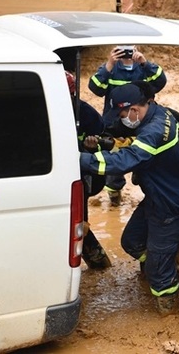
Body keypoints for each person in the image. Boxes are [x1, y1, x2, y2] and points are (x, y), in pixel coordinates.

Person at [79, 84, 179, 315]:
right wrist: (103, 144)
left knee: (158, 275)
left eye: (123, 115)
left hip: (170, 207)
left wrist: (80, 159)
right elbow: (129, 141)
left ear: (134, 110)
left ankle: (170, 312)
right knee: (131, 242)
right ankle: (172, 263)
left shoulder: (154, 130)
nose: (123, 120)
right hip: (157, 198)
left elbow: (126, 161)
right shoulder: (161, 113)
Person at [88, 45, 168, 206]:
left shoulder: (143, 67)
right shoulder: (111, 68)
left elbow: (160, 82)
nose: (126, 52)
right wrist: (108, 65)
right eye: (121, 48)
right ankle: (114, 194)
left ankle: (141, 179)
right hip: (116, 120)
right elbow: (95, 88)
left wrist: (146, 63)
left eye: (129, 48)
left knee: (143, 152)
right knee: (113, 153)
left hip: (141, 119)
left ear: (136, 47)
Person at [64, 71, 111, 269]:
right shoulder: (43, 111)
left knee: (78, 223)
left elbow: (108, 144)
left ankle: (99, 263)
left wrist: (91, 148)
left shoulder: (86, 114)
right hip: (55, 173)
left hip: (80, 175)